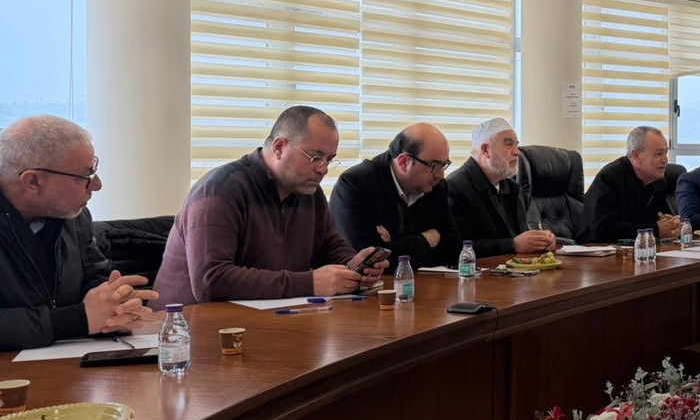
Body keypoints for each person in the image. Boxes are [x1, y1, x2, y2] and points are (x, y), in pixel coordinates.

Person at [154, 106, 387, 306]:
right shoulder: (219, 190)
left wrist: (353, 266)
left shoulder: (309, 192)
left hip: (268, 319)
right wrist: (309, 283)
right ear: (279, 147)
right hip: (185, 328)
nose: (323, 169)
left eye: (329, 159)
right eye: (315, 157)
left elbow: (329, 248)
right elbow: (211, 281)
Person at [0, 116, 157, 351]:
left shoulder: (74, 217)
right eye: (85, 177)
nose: (97, 185)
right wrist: (78, 319)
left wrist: (116, 304)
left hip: (69, 364)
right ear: (33, 181)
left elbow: (94, 277)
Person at [330, 123, 460, 270]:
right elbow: (367, 261)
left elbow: (453, 249)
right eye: (434, 165)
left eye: (444, 165)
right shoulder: (355, 185)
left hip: (423, 282)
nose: (441, 175)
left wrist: (393, 245)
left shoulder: (435, 186)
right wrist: (425, 240)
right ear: (404, 162)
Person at [446, 118, 555, 258]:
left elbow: (521, 235)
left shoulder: (511, 188)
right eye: (508, 144)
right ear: (486, 150)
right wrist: (513, 245)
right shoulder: (455, 187)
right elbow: (456, 248)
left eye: (516, 145)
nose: (517, 152)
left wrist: (541, 241)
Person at [584, 126, 681, 243]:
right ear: (636, 156)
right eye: (658, 153)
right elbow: (601, 230)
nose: (665, 159)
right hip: (597, 250)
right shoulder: (610, 178)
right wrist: (655, 230)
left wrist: (672, 226)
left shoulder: (658, 183)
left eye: (666, 152)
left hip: (640, 249)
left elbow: (659, 222)